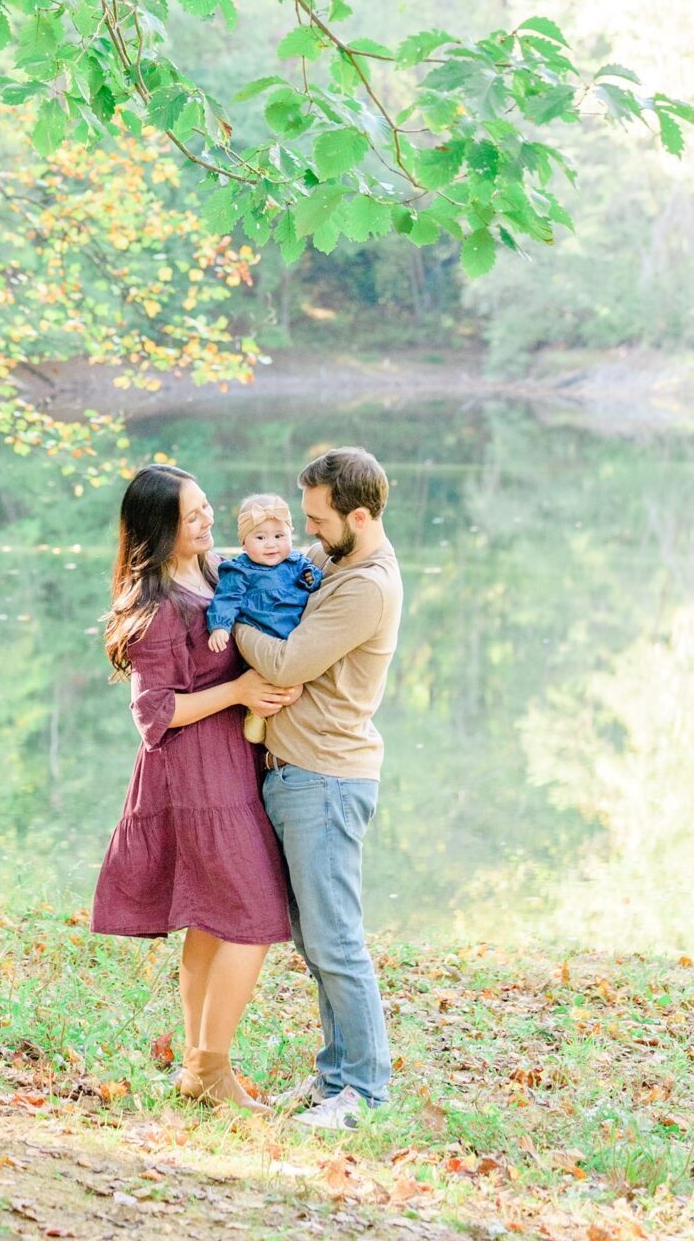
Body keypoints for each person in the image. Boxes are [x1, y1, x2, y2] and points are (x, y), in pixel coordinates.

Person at [90, 463, 301, 1112]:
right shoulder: (153, 606)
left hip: (230, 767)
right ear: (161, 530)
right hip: (191, 776)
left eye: (207, 506)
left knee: (212, 923)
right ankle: (211, 1067)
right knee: (249, 919)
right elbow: (152, 713)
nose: (208, 520)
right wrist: (237, 691)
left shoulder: (217, 573)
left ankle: (195, 1069)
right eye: (192, 516)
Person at [231, 446, 404, 1132]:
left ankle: (362, 1095)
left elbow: (284, 661)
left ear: (357, 516)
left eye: (317, 520)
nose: (307, 533)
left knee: (336, 942)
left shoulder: (365, 586)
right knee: (315, 940)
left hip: (326, 778)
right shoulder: (337, 559)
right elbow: (265, 557)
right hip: (298, 775)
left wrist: (227, 621)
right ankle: (334, 1077)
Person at [205, 492, 322, 740]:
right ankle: (256, 713)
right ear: (244, 543)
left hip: (293, 639)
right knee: (262, 682)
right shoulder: (241, 570)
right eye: (260, 537)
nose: (271, 544)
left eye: (279, 536)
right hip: (262, 638)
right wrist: (220, 627)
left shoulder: (296, 562)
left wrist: (311, 577)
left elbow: (311, 577)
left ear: (291, 536)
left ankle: (286, 723)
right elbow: (226, 599)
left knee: (293, 687)